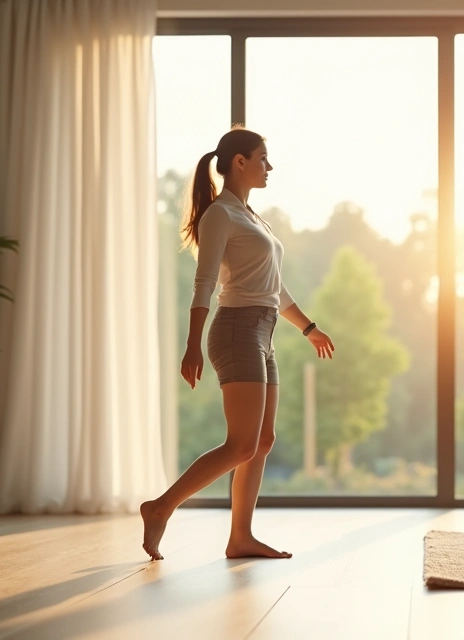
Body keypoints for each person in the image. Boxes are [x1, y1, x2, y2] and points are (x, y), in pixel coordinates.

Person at [140, 128, 334, 561]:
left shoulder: (250, 216)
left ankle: (240, 537)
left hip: (264, 332)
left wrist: (309, 328)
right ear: (240, 162)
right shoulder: (220, 216)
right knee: (241, 443)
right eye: (263, 158)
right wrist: (191, 346)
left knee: (262, 440)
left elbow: (274, 289)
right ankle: (160, 507)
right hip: (235, 330)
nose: (270, 166)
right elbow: (204, 282)